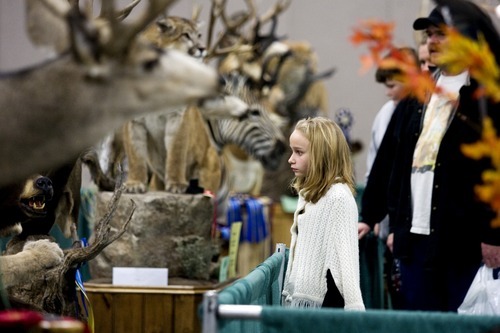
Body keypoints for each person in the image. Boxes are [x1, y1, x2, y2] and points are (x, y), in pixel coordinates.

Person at [360, 5, 500, 312]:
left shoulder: (487, 95)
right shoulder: (417, 94)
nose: (432, 42)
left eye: (442, 35)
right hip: (414, 243)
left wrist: (494, 234)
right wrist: (368, 216)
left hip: (466, 245)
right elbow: (389, 159)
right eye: (429, 35)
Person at [281, 117, 365, 310]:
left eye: (299, 152)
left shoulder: (338, 197)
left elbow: (346, 264)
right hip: (311, 302)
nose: (290, 159)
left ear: (322, 155)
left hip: (328, 304)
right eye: (292, 151)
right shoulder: (310, 194)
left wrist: (354, 310)